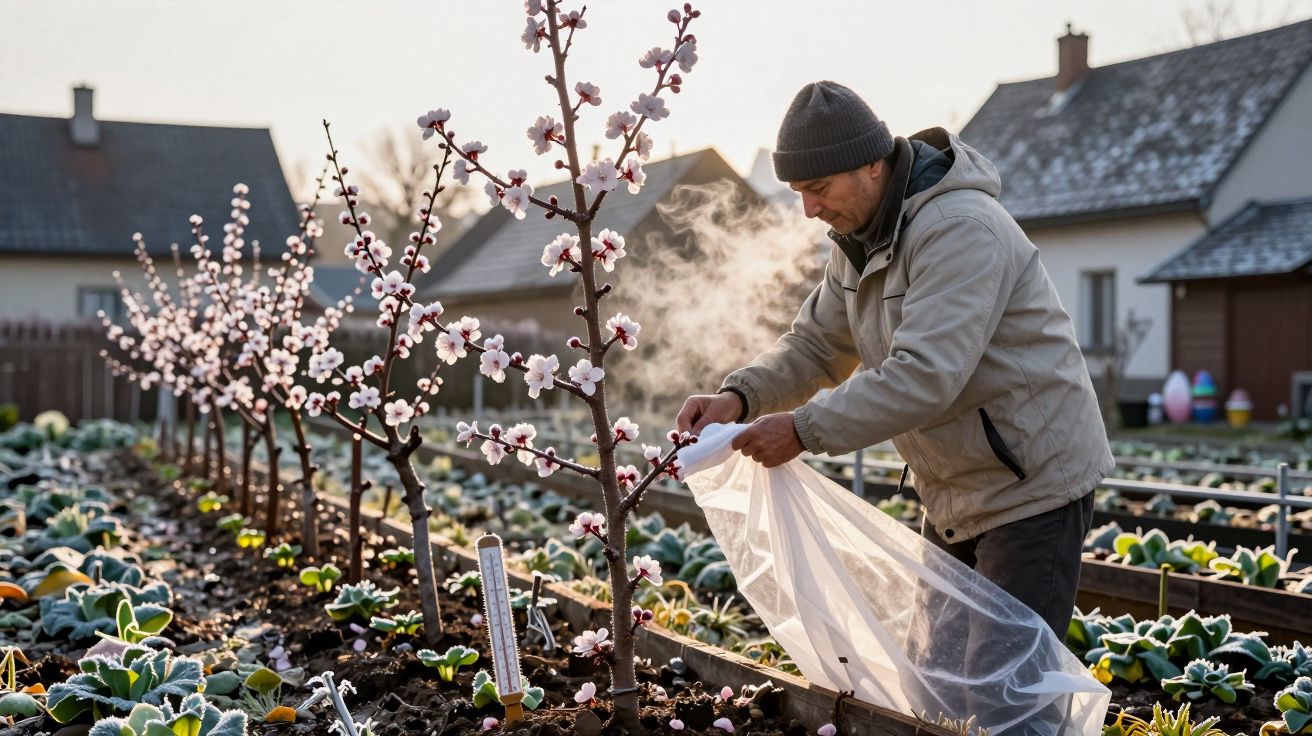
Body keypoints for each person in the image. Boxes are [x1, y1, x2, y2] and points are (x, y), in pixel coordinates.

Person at [676, 80, 1114, 637]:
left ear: (871, 165)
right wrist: (739, 397)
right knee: (936, 671)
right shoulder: (860, 242)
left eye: (819, 188)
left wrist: (802, 429)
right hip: (958, 491)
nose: (809, 209)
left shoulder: (958, 229)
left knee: (1005, 678)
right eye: (798, 192)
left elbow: (924, 375)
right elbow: (816, 346)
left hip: (1031, 486)